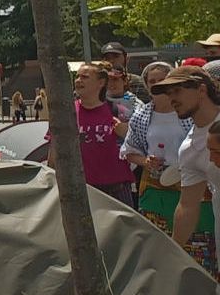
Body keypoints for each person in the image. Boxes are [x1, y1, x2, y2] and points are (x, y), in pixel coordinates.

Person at [127, 63, 207, 271]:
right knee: (158, 241)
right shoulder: (141, 116)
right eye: (152, 82)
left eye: (163, 81)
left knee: (198, 244)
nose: (158, 86)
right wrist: (146, 161)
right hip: (156, 187)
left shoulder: (194, 116)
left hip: (193, 185)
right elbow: (130, 150)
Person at [60, 62, 133, 205]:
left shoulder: (119, 111)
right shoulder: (66, 113)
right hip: (82, 188)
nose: (78, 80)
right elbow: (56, 149)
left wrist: (126, 133)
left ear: (101, 82)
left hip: (117, 188)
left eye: (85, 77)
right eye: (77, 76)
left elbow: (138, 145)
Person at [164, 66, 220, 253]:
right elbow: (187, 206)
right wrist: (173, 253)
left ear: (202, 90)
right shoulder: (189, 149)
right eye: (169, 93)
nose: (172, 99)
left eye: (177, 90)